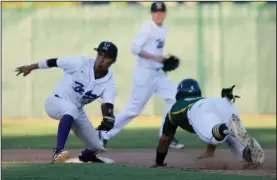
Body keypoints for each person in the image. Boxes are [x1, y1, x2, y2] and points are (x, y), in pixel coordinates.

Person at [98, 2, 184, 150]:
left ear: (164, 13)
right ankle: (104, 133)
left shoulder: (162, 29)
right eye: (155, 12)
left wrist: (161, 59)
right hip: (144, 73)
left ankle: (165, 134)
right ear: (151, 13)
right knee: (133, 109)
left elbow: (153, 52)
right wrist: (156, 58)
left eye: (161, 12)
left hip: (157, 73)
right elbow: (135, 48)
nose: (158, 14)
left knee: (175, 97)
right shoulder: (147, 27)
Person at [15, 41, 119, 163]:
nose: (102, 59)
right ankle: (58, 152)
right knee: (71, 109)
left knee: (97, 145)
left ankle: (86, 157)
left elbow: (108, 104)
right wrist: (31, 67)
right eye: (100, 54)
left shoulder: (109, 83)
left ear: (113, 61)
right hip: (55, 101)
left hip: (77, 111)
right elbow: (53, 62)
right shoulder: (80, 62)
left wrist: (109, 117)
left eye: (106, 57)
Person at [153, 78, 265, 167]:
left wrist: (159, 161)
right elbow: (209, 120)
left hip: (198, 108)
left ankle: (227, 127)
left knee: (211, 136)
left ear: (179, 93)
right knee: (236, 144)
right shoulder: (202, 99)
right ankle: (251, 156)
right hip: (222, 102)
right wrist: (210, 152)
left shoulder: (175, 109)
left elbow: (164, 140)